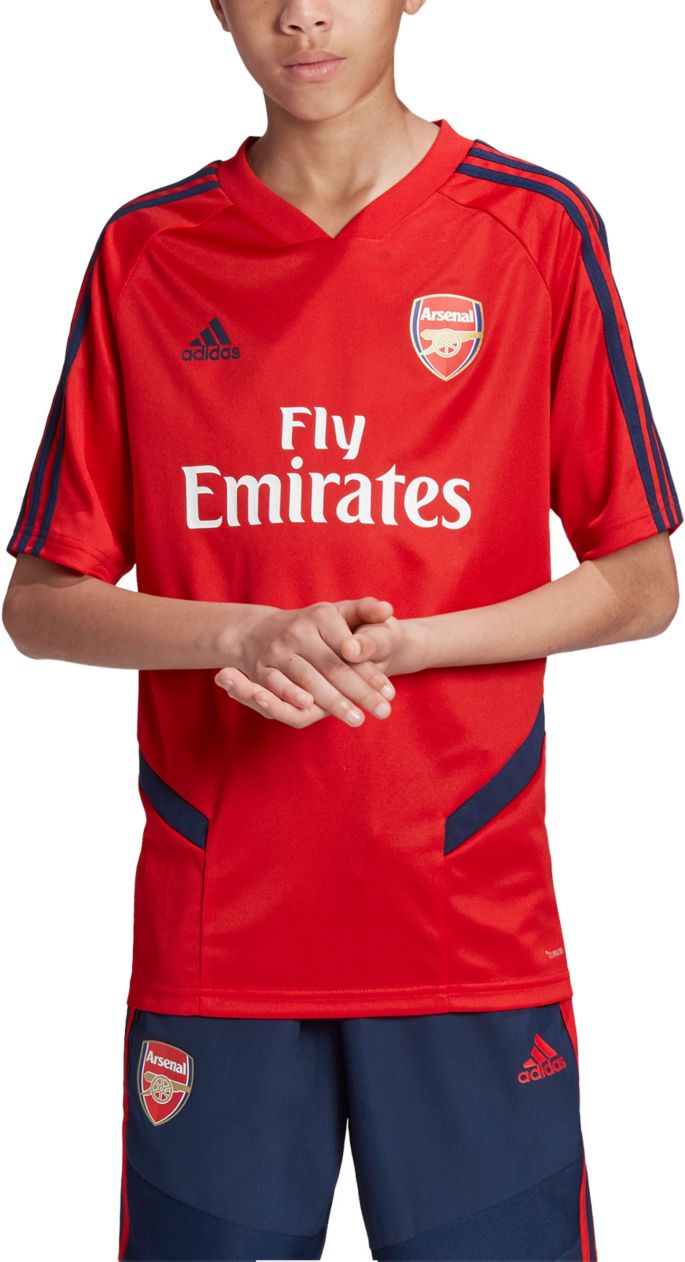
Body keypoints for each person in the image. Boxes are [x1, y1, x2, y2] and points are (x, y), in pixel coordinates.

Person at [3, 1, 681, 1259]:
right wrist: (239, 636)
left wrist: (415, 645)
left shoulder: (533, 228)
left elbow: (641, 580)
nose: (300, 12)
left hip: (465, 921)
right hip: (221, 927)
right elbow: (39, 603)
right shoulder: (149, 250)